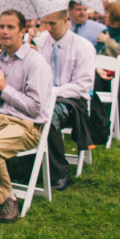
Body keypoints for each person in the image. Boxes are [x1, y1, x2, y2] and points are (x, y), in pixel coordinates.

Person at [0, 10, 52, 223]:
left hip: (26, 126)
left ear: (23, 31)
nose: (4, 31)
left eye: (10, 27)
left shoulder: (35, 62)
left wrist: (4, 88)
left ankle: (7, 199)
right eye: (1, 26)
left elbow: (35, 108)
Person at [34, 10, 96, 191]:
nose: (48, 28)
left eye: (52, 23)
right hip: (43, 96)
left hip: (72, 100)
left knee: (47, 117)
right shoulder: (41, 42)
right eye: (45, 23)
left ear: (65, 21)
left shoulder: (82, 46)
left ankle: (60, 173)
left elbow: (82, 85)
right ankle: (28, 167)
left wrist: (53, 92)